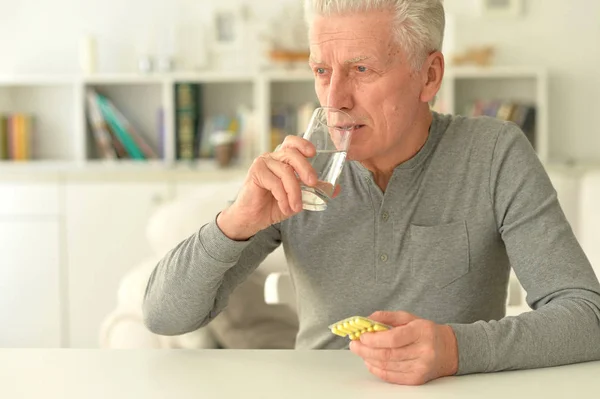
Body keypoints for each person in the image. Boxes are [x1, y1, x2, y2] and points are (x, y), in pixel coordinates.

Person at [143, 0, 600, 386]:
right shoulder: (301, 167)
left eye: (361, 69)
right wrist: (235, 224)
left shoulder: (494, 153)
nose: (334, 98)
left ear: (429, 76)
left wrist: (455, 349)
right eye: (322, 70)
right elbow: (164, 317)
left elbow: (587, 318)